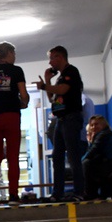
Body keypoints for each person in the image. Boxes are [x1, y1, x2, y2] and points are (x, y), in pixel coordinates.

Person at [0, 42, 29, 205]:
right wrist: (23, 103)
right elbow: (23, 94)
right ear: (8, 53)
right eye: (13, 53)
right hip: (11, 116)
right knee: (12, 157)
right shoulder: (16, 71)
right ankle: (13, 196)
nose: (14, 56)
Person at [36, 45, 85, 201]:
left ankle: (79, 192)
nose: (50, 62)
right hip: (60, 119)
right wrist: (48, 80)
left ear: (60, 57)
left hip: (71, 118)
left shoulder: (71, 71)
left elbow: (63, 90)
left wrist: (44, 86)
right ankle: (57, 194)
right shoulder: (60, 77)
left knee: (73, 156)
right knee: (57, 157)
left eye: (52, 58)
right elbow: (52, 98)